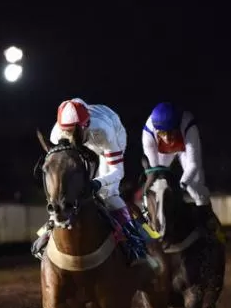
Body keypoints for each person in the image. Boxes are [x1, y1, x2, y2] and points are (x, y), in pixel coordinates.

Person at [31, 98, 148, 263]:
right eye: (67, 133)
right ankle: (49, 229)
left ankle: (137, 239)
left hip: (108, 137)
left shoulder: (104, 131)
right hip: (86, 143)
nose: (71, 138)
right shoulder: (57, 134)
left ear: (86, 126)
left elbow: (117, 171)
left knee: (108, 194)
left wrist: (98, 182)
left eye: (75, 132)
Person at [141, 102, 223, 240]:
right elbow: (154, 172)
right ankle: (155, 220)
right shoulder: (148, 133)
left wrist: (181, 185)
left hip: (185, 150)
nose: (167, 138)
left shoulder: (188, 125)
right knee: (157, 187)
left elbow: (193, 165)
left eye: (170, 132)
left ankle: (209, 224)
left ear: (178, 125)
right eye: (162, 133)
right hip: (164, 154)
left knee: (194, 187)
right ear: (156, 130)